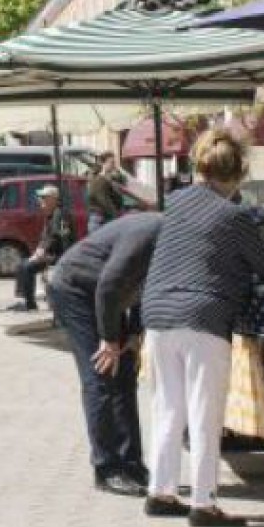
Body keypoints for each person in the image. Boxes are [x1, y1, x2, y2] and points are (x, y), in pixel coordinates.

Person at [140, 128, 264, 527]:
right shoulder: (235, 216)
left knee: (167, 407)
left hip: (158, 314)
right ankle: (204, 502)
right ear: (236, 175)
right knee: (205, 411)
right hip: (204, 315)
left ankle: (161, 492)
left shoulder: (176, 202)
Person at [47, 212, 163, 496]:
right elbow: (109, 283)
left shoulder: (172, 238)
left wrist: (135, 332)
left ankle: (132, 464)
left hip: (107, 296)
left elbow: (147, 287)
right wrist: (109, 340)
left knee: (125, 376)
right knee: (100, 374)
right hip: (76, 289)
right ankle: (107, 468)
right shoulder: (150, 233)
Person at [7, 185, 75, 312]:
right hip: (50, 253)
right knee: (22, 265)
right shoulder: (50, 215)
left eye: (44, 197)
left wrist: (44, 252)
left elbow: (59, 238)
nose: (40, 200)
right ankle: (25, 300)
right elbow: (45, 238)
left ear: (53, 199)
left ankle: (30, 304)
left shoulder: (60, 214)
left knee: (27, 268)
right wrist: (39, 250)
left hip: (59, 254)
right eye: (40, 197)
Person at [86, 155, 134, 231]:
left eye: (114, 163)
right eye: (111, 162)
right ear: (103, 163)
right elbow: (104, 201)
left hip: (104, 218)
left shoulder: (110, 179)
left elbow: (124, 182)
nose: (113, 165)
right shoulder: (99, 180)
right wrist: (115, 216)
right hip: (100, 219)